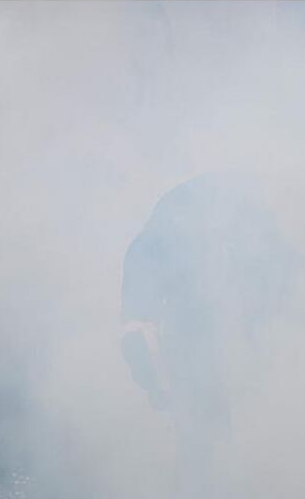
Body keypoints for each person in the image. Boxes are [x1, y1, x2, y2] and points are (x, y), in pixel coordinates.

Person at [121, 172, 293, 440]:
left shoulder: (250, 234)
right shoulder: (161, 241)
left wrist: (161, 390)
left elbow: (137, 330)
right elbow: (138, 330)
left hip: (236, 382)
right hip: (211, 380)